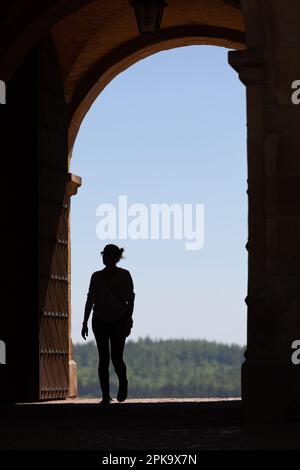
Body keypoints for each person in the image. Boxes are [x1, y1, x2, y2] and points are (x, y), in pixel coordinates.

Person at [81, 244, 135, 405]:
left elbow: (130, 299)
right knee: (104, 358)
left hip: (117, 320)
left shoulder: (124, 275)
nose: (105, 257)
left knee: (116, 357)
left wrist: (128, 318)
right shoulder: (96, 276)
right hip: (101, 320)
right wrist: (84, 322)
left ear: (115, 257)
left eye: (108, 254)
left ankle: (122, 384)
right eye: (104, 254)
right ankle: (106, 394)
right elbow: (90, 299)